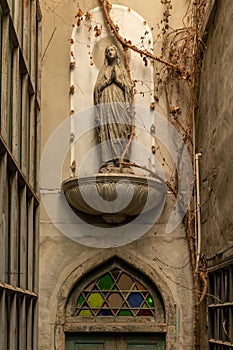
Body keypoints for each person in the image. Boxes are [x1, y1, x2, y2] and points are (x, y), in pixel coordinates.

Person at [94, 45, 133, 172]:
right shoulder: (104, 71)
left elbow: (129, 88)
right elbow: (96, 89)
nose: (110, 52)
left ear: (116, 53)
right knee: (107, 129)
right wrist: (107, 82)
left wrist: (117, 81)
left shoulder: (121, 70)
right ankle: (109, 161)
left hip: (119, 103)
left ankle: (121, 160)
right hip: (106, 104)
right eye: (107, 51)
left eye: (112, 50)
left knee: (120, 128)